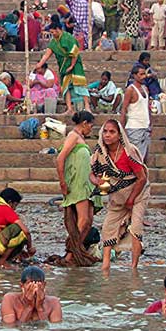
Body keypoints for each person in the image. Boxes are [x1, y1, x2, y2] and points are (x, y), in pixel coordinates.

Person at [90, 119, 150, 272]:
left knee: (135, 228)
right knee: (108, 227)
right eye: (105, 131)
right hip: (117, 196)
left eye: (112, 132)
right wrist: (96, 180)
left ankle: (134, 267)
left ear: (119, 135)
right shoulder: (100, 152)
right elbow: (92, 173)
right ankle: (106, 265)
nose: (108, 135)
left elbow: (142, 178)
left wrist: (131, 200)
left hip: (138, 194)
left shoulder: (129, 152)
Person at [54, 111, 102, 267]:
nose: (91, 129)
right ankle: (70, 254)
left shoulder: (80, 138)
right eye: (91, 126)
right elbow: (60, 158)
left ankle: (75, 251)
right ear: (85, 123)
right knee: (82, 220)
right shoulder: (73, 136)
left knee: (88, 221)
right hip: (77, 185)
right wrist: (62, 182)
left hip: (87, 185)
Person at [35, 17, 88, 114]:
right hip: (63, 66)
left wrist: (71, 66)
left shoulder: (68, 38)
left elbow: (75, 52)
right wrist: (39, 64)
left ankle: (87, 107)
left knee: (80, 85)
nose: (53, 35)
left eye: (53, 32)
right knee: (66, 87)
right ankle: (69, 108)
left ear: (58, 30)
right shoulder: (53, 42)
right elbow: (47, 54)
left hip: (74, 64)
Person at [121, 65, 152, 163]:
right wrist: (122, 129)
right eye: (141, 74)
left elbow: (147, 108)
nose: (144, 76)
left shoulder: (145, 89)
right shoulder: (130, 90)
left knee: (144, 158)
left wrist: (151, 124)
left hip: (145, 127)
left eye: (144, 74)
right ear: (134, 75)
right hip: (134, 127)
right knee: (135, 159)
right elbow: (124, 110)